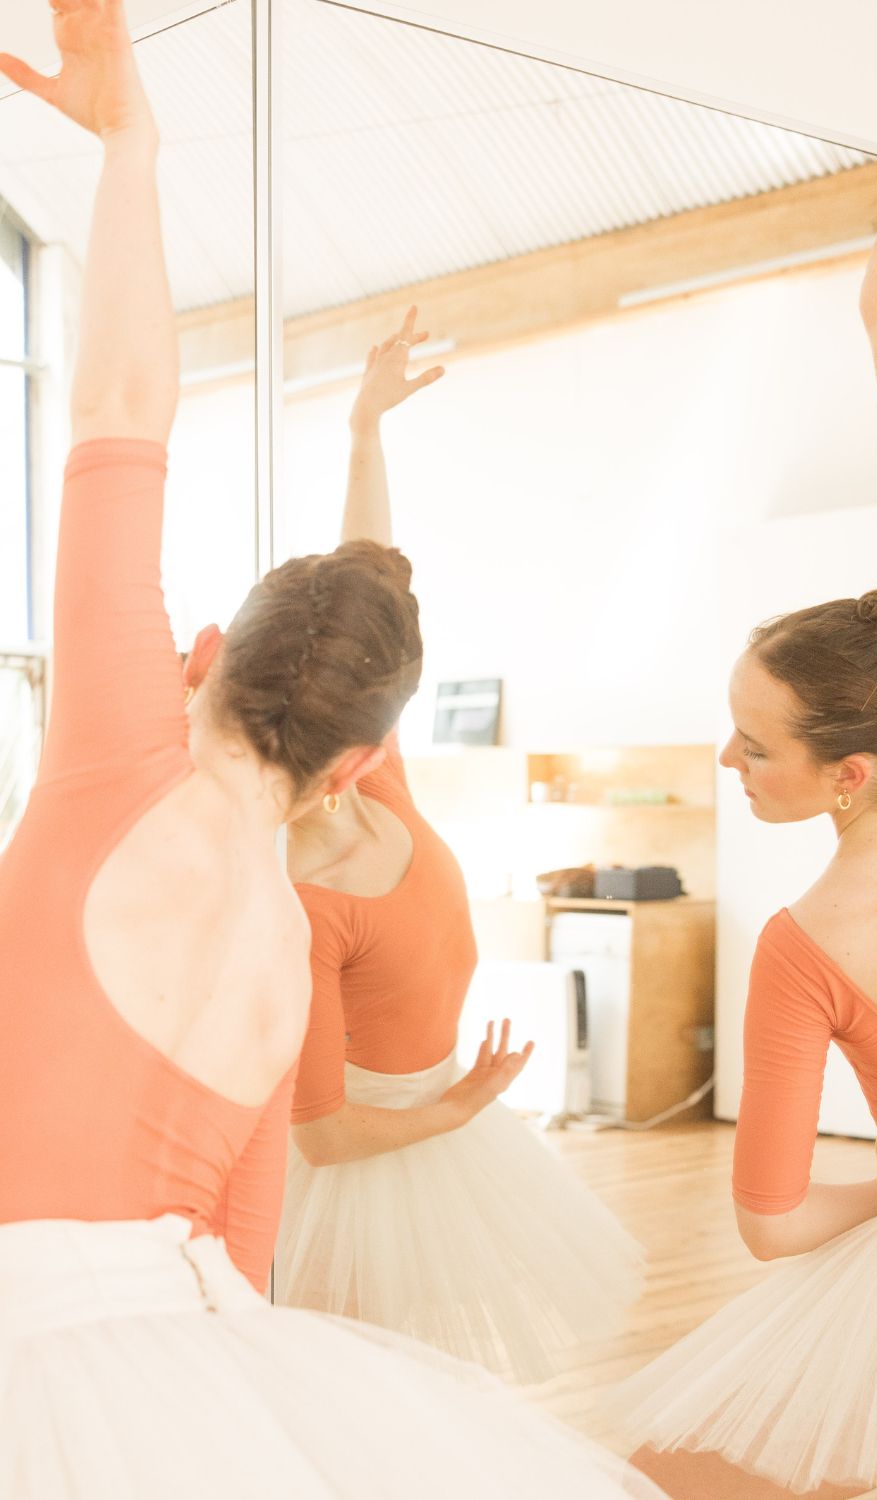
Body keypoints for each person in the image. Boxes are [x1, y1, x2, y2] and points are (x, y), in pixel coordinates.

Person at [0, 9, 665, 1497]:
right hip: (188, 1362)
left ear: (209, 656)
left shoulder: (113, 762)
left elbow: (115, 412)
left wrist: (131, 148)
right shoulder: (295, 951)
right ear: (365, 762)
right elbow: (247, 1258)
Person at [616, 176, 877, 1500]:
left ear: (841, 774)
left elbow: (775, 1225)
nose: (725, 760)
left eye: (750, 743)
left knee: (679, 1466)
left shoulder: (802, 949)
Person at [275, 314, 644, 1382]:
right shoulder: (305, 899)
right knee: (352, 1376)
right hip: (379, 1153)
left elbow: (366, 594)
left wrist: (362, 431)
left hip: (443, 1117)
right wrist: (460, 1105)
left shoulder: (373, 773)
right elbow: (324, 1138)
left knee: (422, 1379)